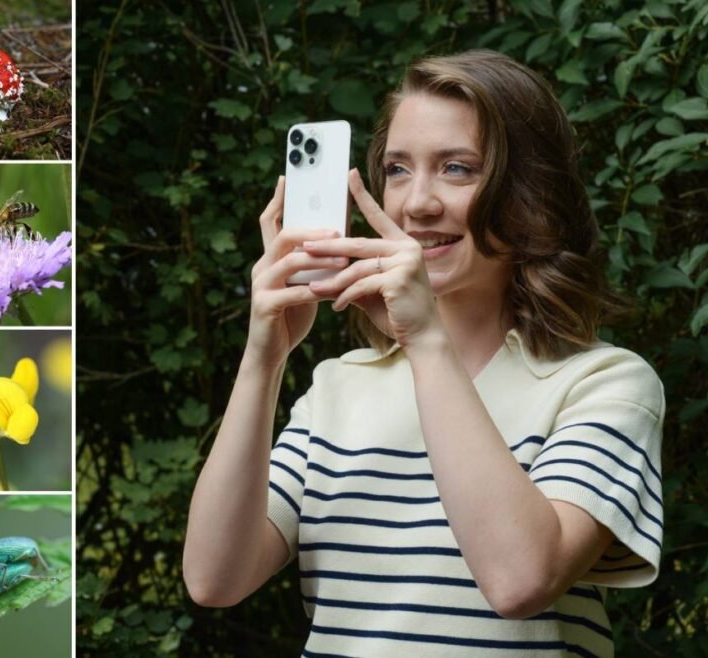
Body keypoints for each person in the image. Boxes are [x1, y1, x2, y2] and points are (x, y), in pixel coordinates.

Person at [183, 49, 663, 657]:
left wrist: (427, 341)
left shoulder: (605, 384)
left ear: (530, 193)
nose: (417, 204)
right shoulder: (337, 386)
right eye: (398, 169)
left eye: (457, 169)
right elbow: (214, 578)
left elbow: (519, 581)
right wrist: (264, 357)